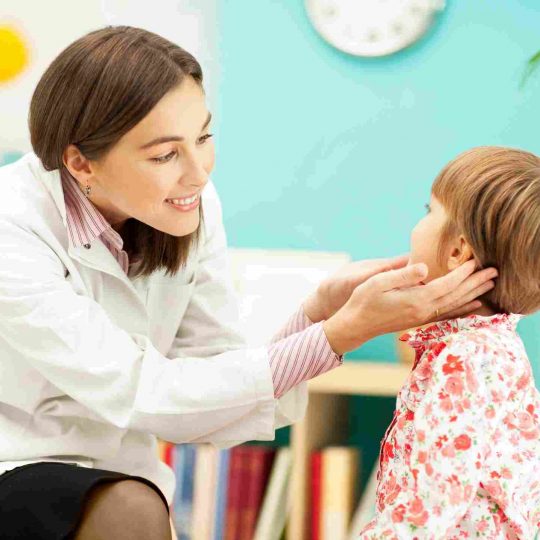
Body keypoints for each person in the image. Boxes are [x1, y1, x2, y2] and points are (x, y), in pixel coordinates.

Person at [0, 26, 496, 540]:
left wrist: (318, 314)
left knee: (131, 503)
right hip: (16, 461)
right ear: (81, 163)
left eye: (203, 138)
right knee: (129, 507)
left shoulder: (188, 207)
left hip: (118, 477)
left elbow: (216, 383)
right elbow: (144, 391)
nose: (198, 174)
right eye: (165, 155)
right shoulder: (11, 228)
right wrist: (339, 334)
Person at [358, 146, 540, 539]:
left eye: (429, 210)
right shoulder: (493, 348)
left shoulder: (468, 357)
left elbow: (436, 497)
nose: (418, 222)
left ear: (458, 250)